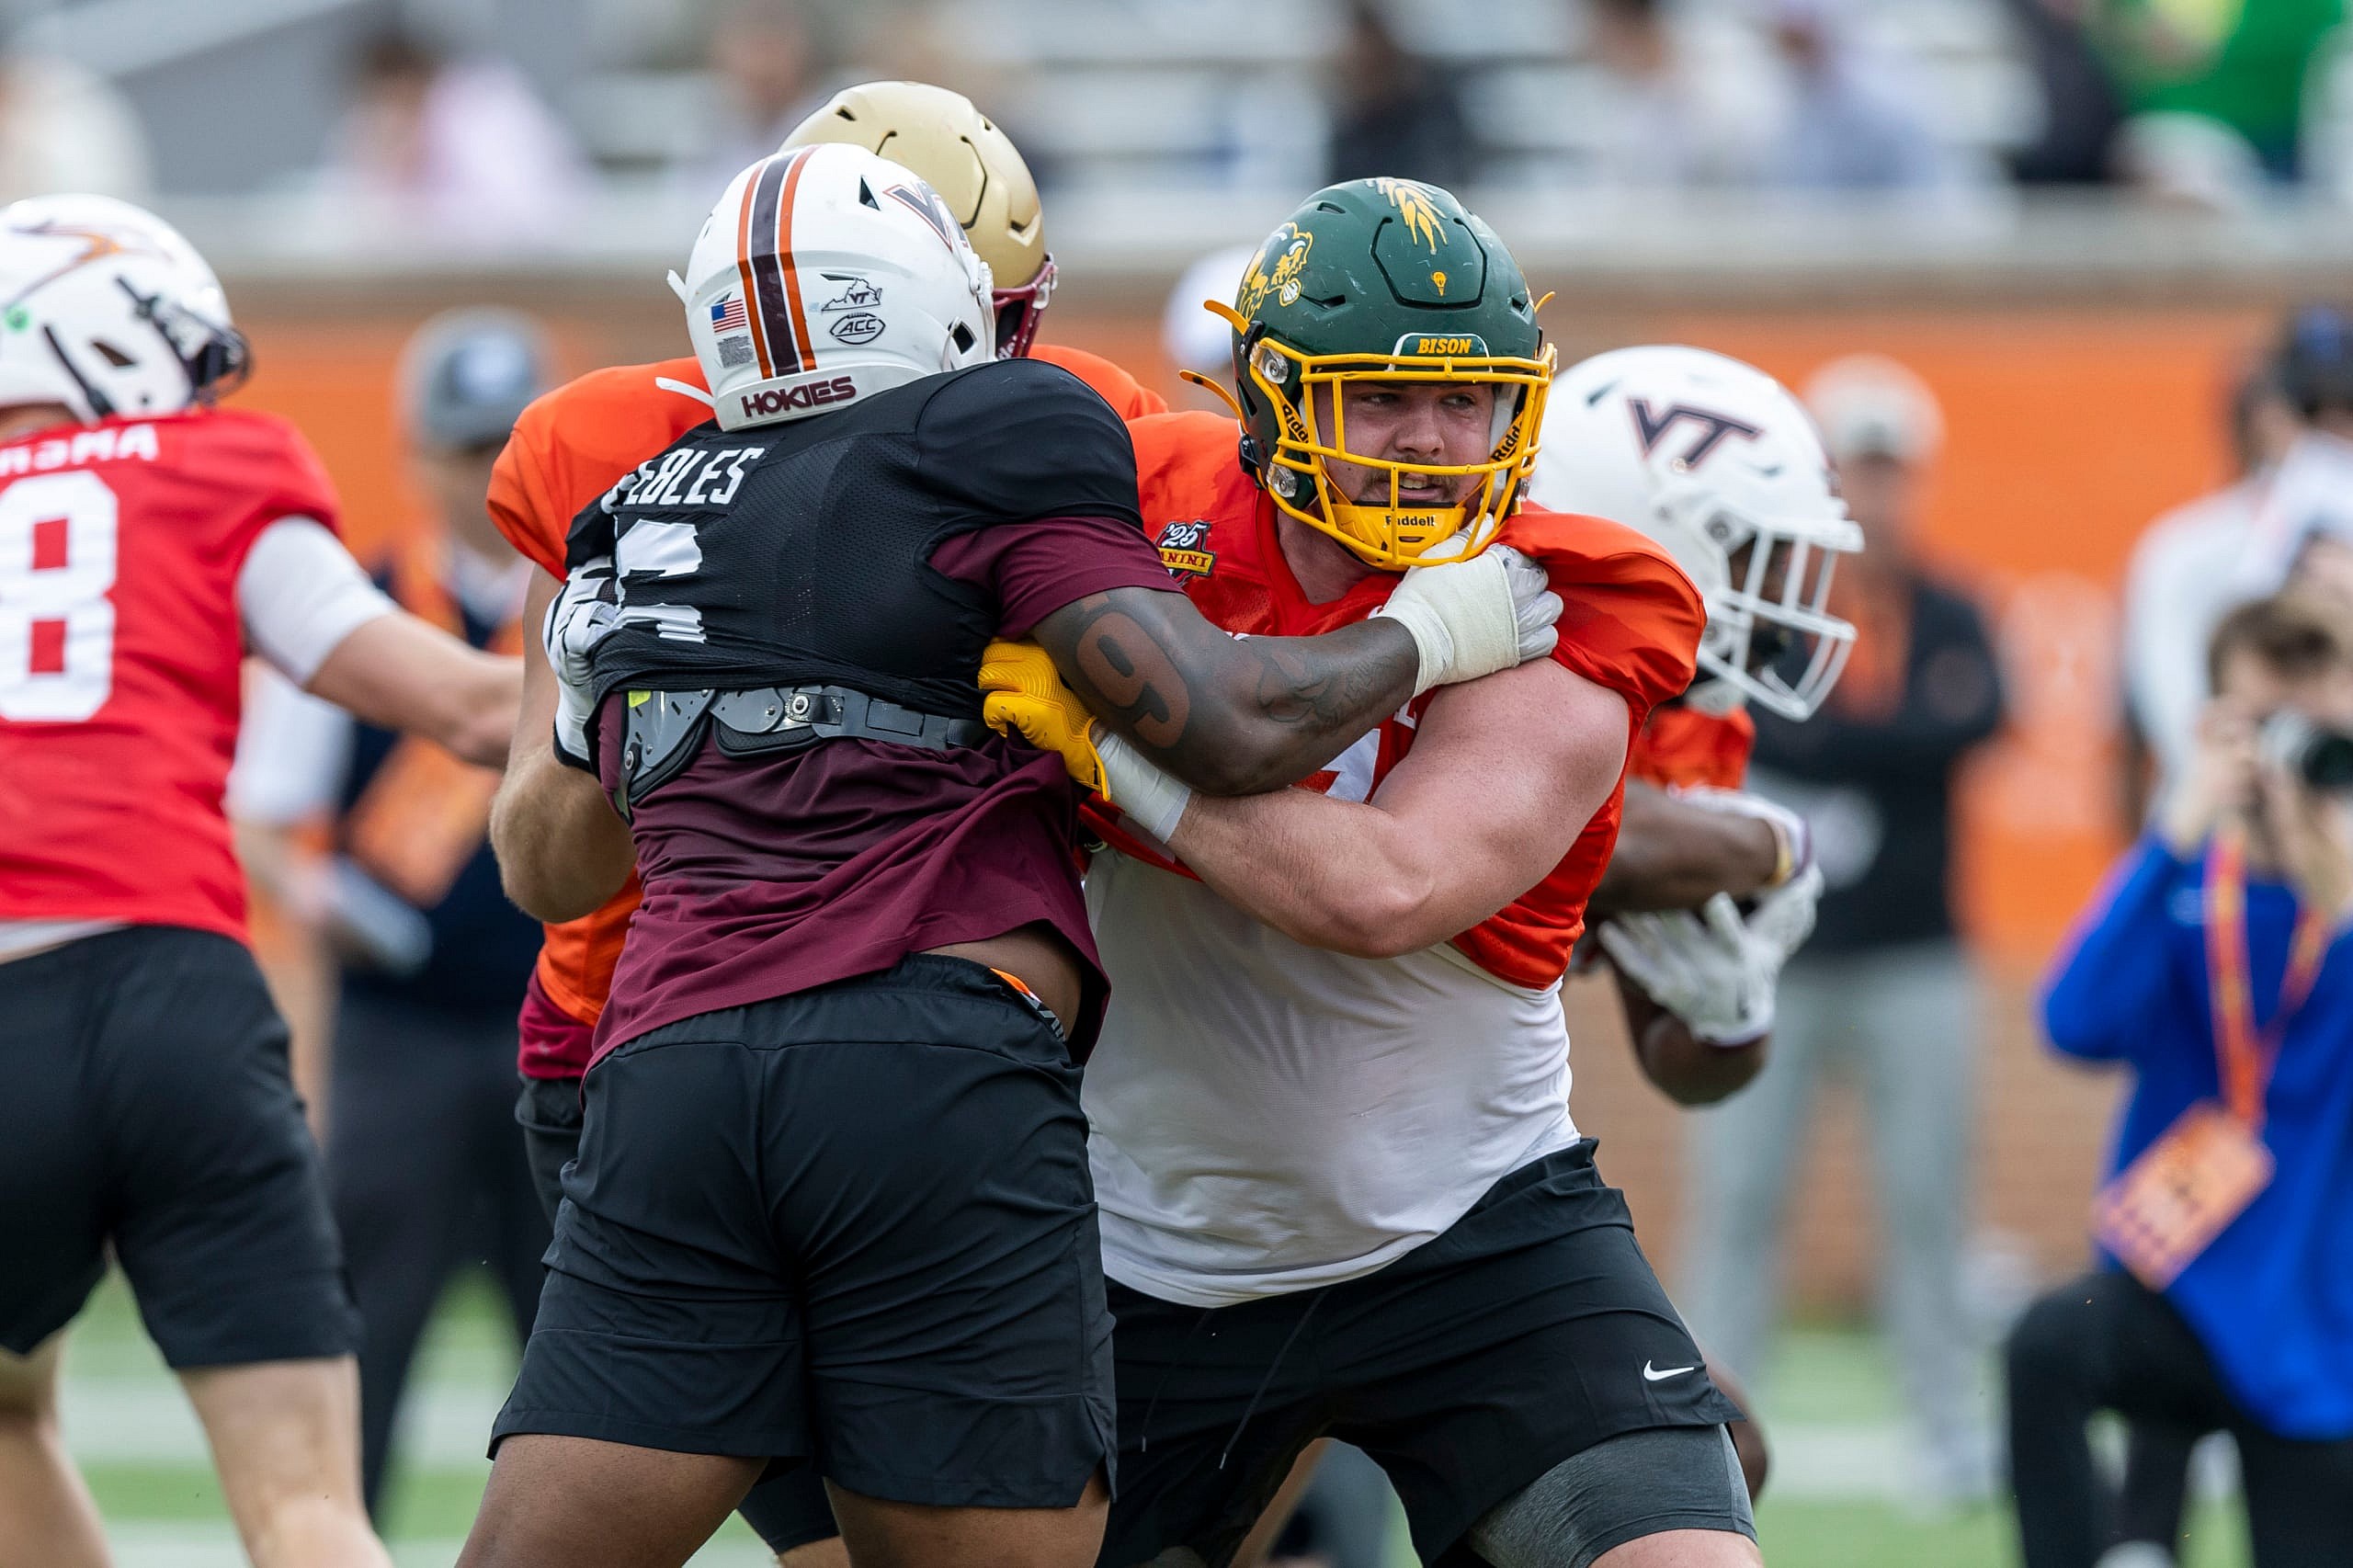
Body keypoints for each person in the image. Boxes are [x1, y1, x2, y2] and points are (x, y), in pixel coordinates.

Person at [465, 145, 1559, 1568]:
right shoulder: (1004, 430)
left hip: (671, 1070)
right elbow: (1230, 726)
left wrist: (579, 697)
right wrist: (1433, 631)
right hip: (929, 1062)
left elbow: (550, 876)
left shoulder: (642, 500)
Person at [985, 176, 1757, 1568]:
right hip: (1149, 1255)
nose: (1430, 440)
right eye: (1380, 397)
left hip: (1478, 1232)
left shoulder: (1559, 595)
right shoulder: (1139, 507)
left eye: (1467, 400)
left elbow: (1383, 889)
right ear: (1272, 395)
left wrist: (1110, 748)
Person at [486, 84, 1166, 1562]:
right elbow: (542, 861)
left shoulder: (1070, 418)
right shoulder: (617, 455)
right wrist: (599, 702)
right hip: (641, 1039)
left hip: (844, 1046)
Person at [0, 195, 518, 1568]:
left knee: (5, 1410)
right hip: (177, 996)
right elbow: (469, 706)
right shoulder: (209, 469)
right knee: (306, 1507)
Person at [229, 310, 556, 1517]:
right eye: (467, 448)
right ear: (418, 455)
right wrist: (329, 902)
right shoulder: (361, 603)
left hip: (560, 1027)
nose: (486, 476)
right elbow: (265, 818)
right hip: (395, 1041)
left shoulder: (592, 610)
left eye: (509, 446)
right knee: (359, 1341)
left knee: (579, 1353)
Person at [1679, 352, 2006, 1506]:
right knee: (1740, 1193)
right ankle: (1701, 1428)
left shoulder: (1953, 606)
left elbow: (1970, 718)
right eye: (1852, 469)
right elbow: (1763, 726)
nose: (1872, 494)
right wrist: (1883, 747)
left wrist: (1835, 751)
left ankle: (1946, 1424)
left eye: (1887, 469)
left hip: (1916, 949)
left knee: (1927, 1198)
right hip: (1772, 951)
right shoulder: (1766, 606)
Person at [2009, 591, 2353, 1568]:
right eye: (2261, 724)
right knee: (2046, 1345)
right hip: (2179, 1290)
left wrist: (2335, 872)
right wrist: (2175, 830)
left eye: (2315, 725)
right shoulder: (2190, 884)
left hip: (2324, 1329)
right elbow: (2073, 1023)